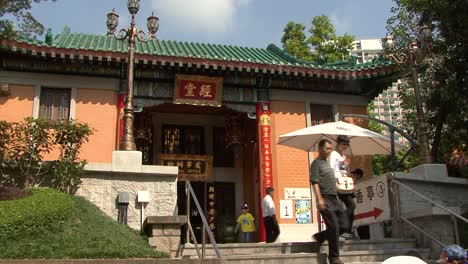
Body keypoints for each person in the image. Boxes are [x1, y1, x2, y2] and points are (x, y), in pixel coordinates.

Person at [311, 139, 348, 264]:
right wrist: (319, 198)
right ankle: (334, 257)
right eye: (327, 149)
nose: (329, 151)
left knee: (344, 225)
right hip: (325, 197)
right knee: (334, 226)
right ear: (320, 149)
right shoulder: (316, 163)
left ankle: (320, 236)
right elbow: (315, 182)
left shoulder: (327, 163)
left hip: (334, 198)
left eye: (330, 149)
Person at [329, 135, 355, 239]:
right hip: (337, 183)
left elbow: (346, 172)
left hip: (346, 184)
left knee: (351, 206)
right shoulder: (334, 154)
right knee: (351, 205)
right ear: (338, 144)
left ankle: (347, 230)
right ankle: (343, 227)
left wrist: (348, 164)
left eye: (347, 145)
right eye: (344, 144)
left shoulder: (343, 156)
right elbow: (331, 169)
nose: (345, 147)